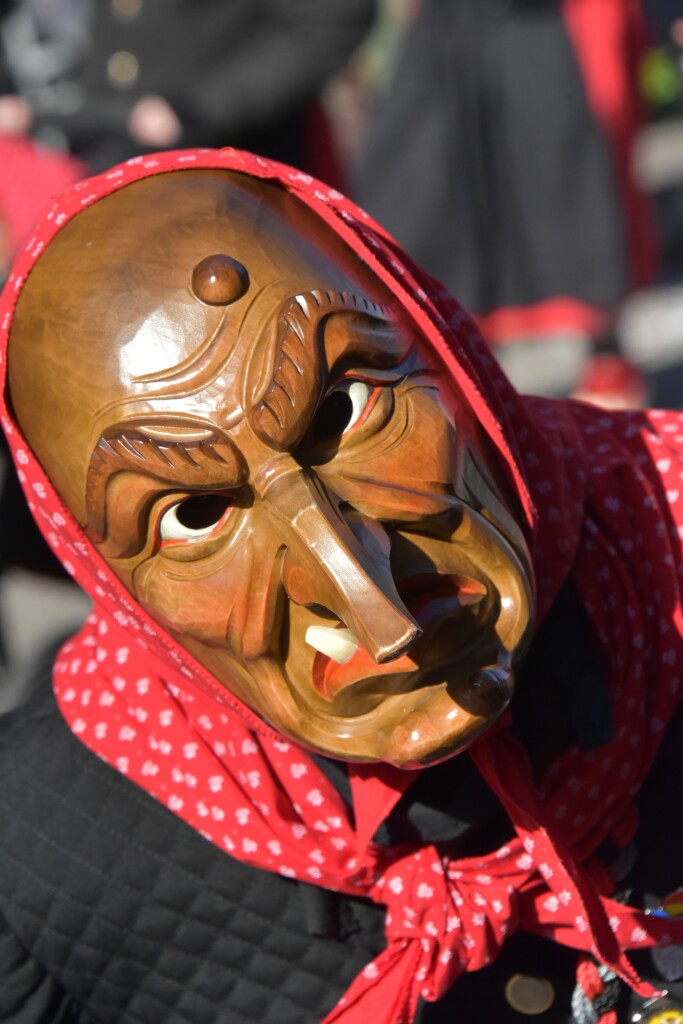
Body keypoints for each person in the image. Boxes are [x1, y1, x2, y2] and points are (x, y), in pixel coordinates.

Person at [1, 148, 683, 1023]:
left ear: (447, 346)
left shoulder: (661, 533)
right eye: (196, 515)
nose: (375, 607)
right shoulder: (52, 864)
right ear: (104, 571)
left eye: (339, 413)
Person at [353, 0, 658, 402]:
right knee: (433, 189)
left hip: (559, 18)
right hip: (452, 31)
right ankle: (465, 368)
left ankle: (606, 353)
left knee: (576, 183)